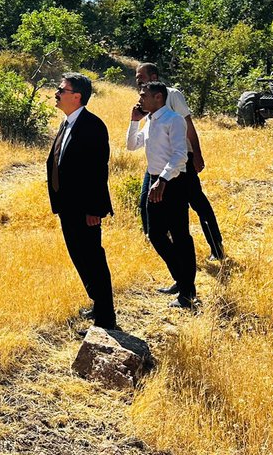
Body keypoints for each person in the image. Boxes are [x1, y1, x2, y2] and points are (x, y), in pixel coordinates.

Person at [135, 62, 226, 269]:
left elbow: (188, 124)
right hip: (159, 165)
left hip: (180, 161)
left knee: (196, 202)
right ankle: (171, 254)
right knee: (146, 203)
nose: (138, 80)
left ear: (153, 76)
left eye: (141, 76)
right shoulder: (145, 98)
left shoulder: (171, 94)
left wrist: (196, 154)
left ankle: (215, 247)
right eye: (136, 76)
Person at [47, 73, 117, 329]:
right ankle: (99, 304)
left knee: (93, 259)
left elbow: (98, 171)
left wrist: (94, 209)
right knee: (79, 257)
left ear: (76, 97)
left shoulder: (92, 126)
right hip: (68, 207)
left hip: (85, 209)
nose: (56, 93)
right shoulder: (68, 123)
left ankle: (106, 318)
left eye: (61, 89)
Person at [126, 81, 198, 309]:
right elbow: (131, 145)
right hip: (157, 180)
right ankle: (182, 280)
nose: (140, 98)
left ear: (158, 98)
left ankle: (186, 292)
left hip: (173, 183)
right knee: (155, 234)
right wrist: (134, 121)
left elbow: (180, 155)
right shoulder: (150, 121)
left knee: (180, 235)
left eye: (143, 95)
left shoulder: (173, 120)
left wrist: (163, 180)